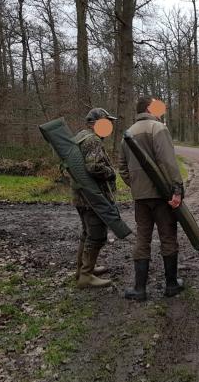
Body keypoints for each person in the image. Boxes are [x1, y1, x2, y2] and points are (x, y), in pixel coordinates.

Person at [119, 96, 185, 301]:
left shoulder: (127, 133)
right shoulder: (158, 128)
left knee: (142, 238)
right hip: (162, 195)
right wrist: (177, 188)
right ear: (148, 108)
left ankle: (140, 289)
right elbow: (168, 161)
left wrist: (138, 186)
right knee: (167, 236)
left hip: (141, 197)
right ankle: (171, 285)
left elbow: (122, 168)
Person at [72, 108, 118, 289]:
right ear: (96, 123)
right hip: (93, 198)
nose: (110, 126)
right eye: (106, 122)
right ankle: (85, 276)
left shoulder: (81, 137)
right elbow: (93, 167)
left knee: (87, 233)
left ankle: (82, 270)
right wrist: (111, 172)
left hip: (80, 196)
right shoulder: (93, 141)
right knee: (97, 236)